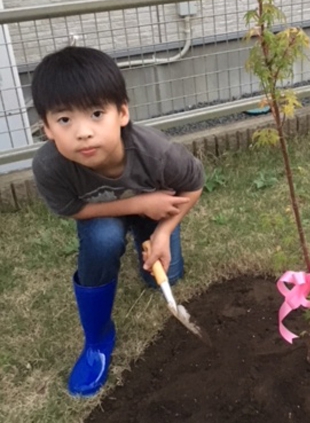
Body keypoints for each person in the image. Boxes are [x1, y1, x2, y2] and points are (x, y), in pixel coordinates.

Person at [31, 46, 204, 397]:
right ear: (47, 127)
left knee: (164, 279)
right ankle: (97, 340)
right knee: (102, 239)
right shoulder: (50, 166)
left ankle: (148, 242)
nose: (83, 133)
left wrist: (163, 231)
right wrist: (140, 201)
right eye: (65, 120)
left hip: (154, 214)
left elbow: (194, 186)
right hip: (107, 215)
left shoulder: (157, 152)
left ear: (122, 112)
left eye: (96, 114)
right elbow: (72, 209)